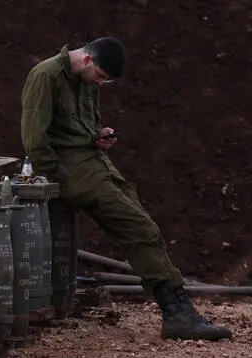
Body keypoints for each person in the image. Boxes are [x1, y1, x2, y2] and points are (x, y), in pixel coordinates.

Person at [20, 37, 232, 341]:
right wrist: (64, 179)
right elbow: (35, 142)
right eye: (102, 77)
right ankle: (176, 313)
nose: (102, 84)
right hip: (69, 170)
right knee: (138, 228)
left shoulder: (88, 79)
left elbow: (81, 127)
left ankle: (178, 308)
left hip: (94, 161)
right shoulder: (45, 75)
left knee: (146, 227)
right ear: (89, 60)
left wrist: (99, 135)